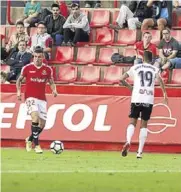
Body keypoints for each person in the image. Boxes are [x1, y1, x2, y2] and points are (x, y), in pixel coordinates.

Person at [120, 51, 168, 159]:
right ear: (151, 60)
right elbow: (160, 80)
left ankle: (128, 141)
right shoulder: (154, 69)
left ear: (143, 59)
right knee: (144, 124)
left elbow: (121, 79)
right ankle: (139, 152)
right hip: (148, 99)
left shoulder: (135, 67)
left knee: (132, 121)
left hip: (136, 97)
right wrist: (165, 93)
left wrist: (131, 88)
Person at [16, 47, 58, 153]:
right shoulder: (27, 68)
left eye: (39, 57)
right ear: (33, 57)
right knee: (34, 117)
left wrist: (54, 90)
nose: (37, 59)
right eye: (35, 56)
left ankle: (29, 139)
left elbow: (51, 82)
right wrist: (18, 91)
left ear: (43, 57)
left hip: (42, 99)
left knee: (42, 124)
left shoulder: (48, 69)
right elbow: (19, 80)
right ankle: (37, 145)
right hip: (30, 97)